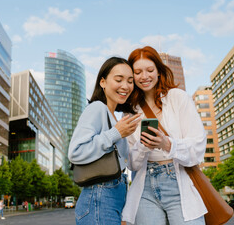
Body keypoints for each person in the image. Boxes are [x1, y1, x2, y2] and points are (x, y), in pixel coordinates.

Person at [121, 46, 207, 225]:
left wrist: (166, 143)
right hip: (144, 187)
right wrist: (143, 145)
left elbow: (198, 147)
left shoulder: (178, 97)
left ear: (159, 71)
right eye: (137, 72)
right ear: (132, 76)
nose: (144, 76)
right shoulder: (129, 112)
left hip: (178, 182)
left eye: (150, 70)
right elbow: (131, 164)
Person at [68, 57, 141, 225]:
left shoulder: (114, 117)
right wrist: (116, 133)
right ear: (103, 82)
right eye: (119, 79)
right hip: (99, 195)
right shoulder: (97, 108)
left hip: (114, 194)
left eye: (130, 81)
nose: (126, 86)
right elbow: (75, 151)